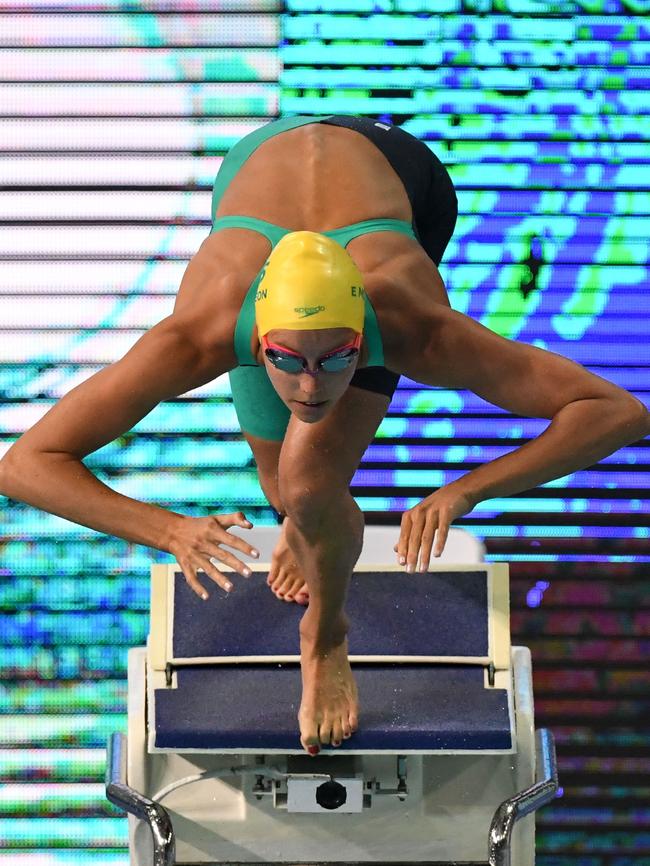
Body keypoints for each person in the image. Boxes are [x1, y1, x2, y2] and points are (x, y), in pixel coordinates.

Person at [0, 115, 647, 757]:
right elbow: (26, 464)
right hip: (257, 162)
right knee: (280, 487)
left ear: (365, 340)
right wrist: (167, 530)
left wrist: (466, 490)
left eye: (337, 360)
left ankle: (326, 633)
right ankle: (303, 526)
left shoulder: (413, 326)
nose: (311, 388)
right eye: (287, 362)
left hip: (399, 176)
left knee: (308, 480)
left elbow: (615, 411)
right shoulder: (200, 333)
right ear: (255, 343)